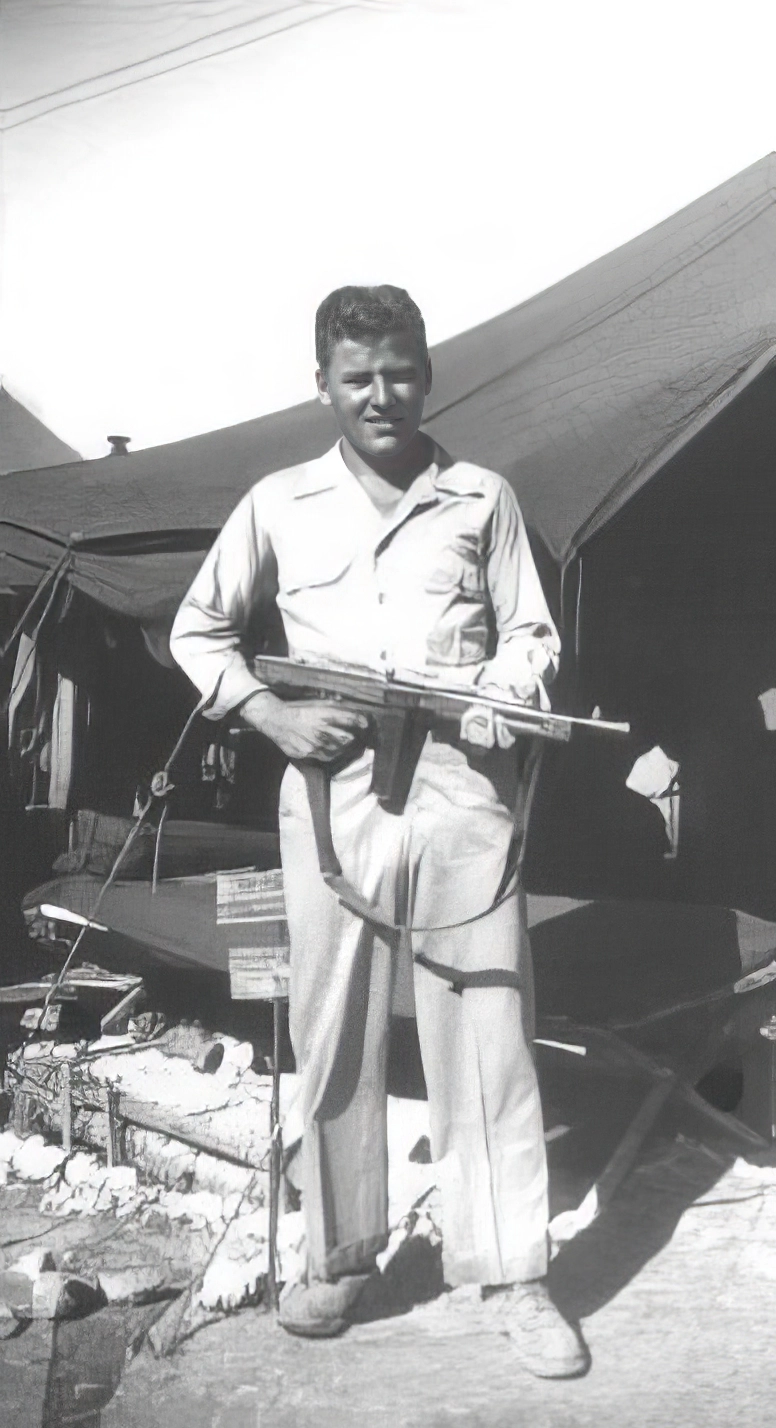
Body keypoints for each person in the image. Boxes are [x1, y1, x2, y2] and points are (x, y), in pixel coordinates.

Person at [170, 285, 588, 1378]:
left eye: (398, 372)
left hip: (460, 786)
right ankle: (342, 1256)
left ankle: (512, 1271)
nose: (379, 395)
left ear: (426, 373)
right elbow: (200, 629)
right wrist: (270, 713)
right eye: (356, 377)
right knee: (334, 1029)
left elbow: (530, 631)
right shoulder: (278, 501)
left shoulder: (479, 497)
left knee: (486, 1031)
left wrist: (503, 683)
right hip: (332, 794)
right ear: (322, 384)